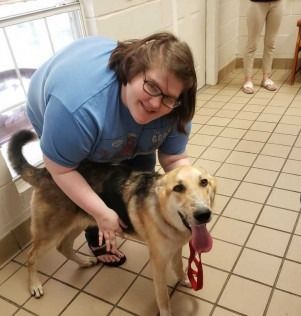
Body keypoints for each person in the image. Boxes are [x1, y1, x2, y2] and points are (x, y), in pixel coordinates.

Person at [26, 32, 197, 266]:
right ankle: (96, 233)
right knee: (93, 179)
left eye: (168, 97)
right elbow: (62, 170)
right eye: (152, 87)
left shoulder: (176, 108)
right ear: (133, 70)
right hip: (64, 105)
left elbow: (174, 157)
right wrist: (102, 213)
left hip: (111, 111)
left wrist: (192, 197)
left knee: (139, 172)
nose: (156, 103)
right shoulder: (77, 111)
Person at [242, 0, 283, 94]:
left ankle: (266, 78)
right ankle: (247, 80)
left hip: (277, 3)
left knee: (271, 44)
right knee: (252, 44)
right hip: (257, 3)